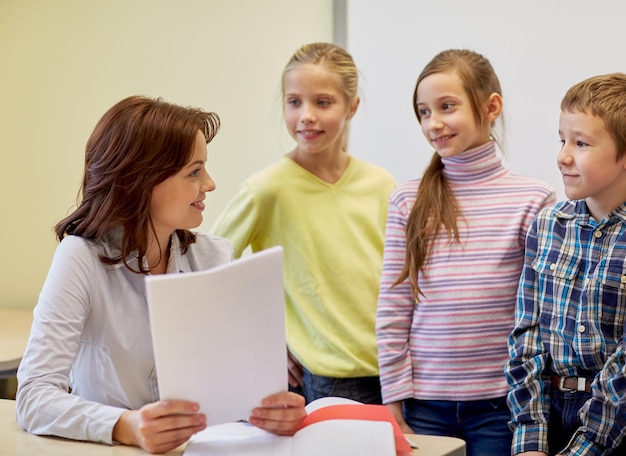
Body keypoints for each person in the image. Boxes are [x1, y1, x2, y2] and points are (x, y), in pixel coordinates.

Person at [16, 96, 306, 454]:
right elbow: (34, 395)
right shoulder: (81, 258)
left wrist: (270, 412)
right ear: (142, 181)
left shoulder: (213, 255)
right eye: (194, 172)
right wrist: (126, 426)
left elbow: (233, 392)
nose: (210, 183)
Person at [376, 49, 556, 456]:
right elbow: (393, 305)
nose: (433, 123)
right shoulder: (407, 199)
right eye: (423, 111)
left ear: (491, 106)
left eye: (447, 106)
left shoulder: (533, 199)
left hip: (501, 405)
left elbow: (539, 316)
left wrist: (534, 407)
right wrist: (392, 398)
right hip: (424, 405)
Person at [211, 42, 396, 405]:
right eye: (294, 101)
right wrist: (264, 341)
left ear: (352, 106)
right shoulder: (267, 189)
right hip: (326, 375)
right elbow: (207, 273)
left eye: (322, 102)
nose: (306, 115)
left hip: (394, 369)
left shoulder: (381, 184)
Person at [506, 73, 626, 455]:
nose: (563, 156)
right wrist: (531, 440)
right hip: (548, 412)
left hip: (612, 421)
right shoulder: (547, 225)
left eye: (582, 143)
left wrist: (585, 447)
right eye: (562, 140)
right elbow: (527, 337)